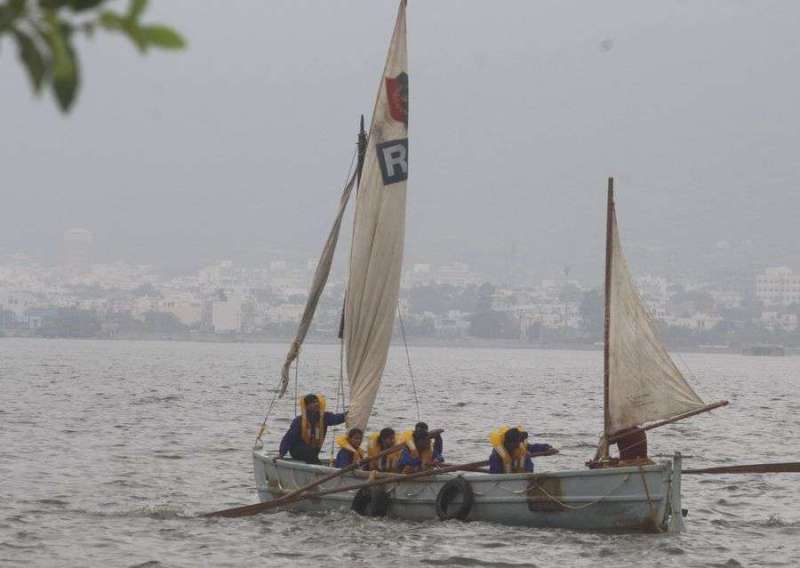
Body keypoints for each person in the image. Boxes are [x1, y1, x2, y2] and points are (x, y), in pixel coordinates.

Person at [278, 394, 346, 464]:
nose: (316, 404)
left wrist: (349, 414)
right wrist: (281, 454)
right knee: (309, 452)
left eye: (317, 402)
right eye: (313, 403)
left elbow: (337, 419)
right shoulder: (299, 420)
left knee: (312, 452)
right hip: (297, 450)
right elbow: (289, 437)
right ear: (307, 406)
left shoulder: (325, 417)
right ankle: (318, 466)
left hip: (313, 451)